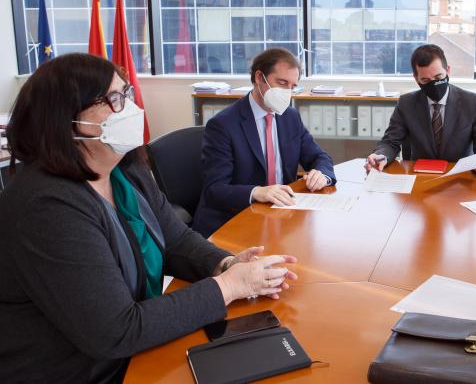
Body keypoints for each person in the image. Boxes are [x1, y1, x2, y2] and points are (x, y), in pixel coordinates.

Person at [0, 54, 297, 383]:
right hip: (79, 370)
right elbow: (116, 329)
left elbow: (177, 239)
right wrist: (226, 287)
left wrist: (226, 265)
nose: (130, 107)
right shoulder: (47, 207)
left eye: (127, 93)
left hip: (135, 352)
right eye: (114, 99)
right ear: (64, 119)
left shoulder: (124, 170)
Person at [193, 48, 335, 237]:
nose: (287, 92)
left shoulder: (290, 117)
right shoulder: (223, 125)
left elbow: (319, 157)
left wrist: (322, 174)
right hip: (234, 220)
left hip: (278, 216)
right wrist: (257, 192)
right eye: (282, 83)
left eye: (292, 86)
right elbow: (215, 190)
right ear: (259, 77)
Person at [365, 44, 476, 173]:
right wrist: (380, 155)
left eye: (438, 77)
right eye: (426, 80)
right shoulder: (406, 104)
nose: (433, 84)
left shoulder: (473, 103)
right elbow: (390, 142)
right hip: (420, 178)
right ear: (416, 79)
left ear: (448, 70)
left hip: (460, 178)